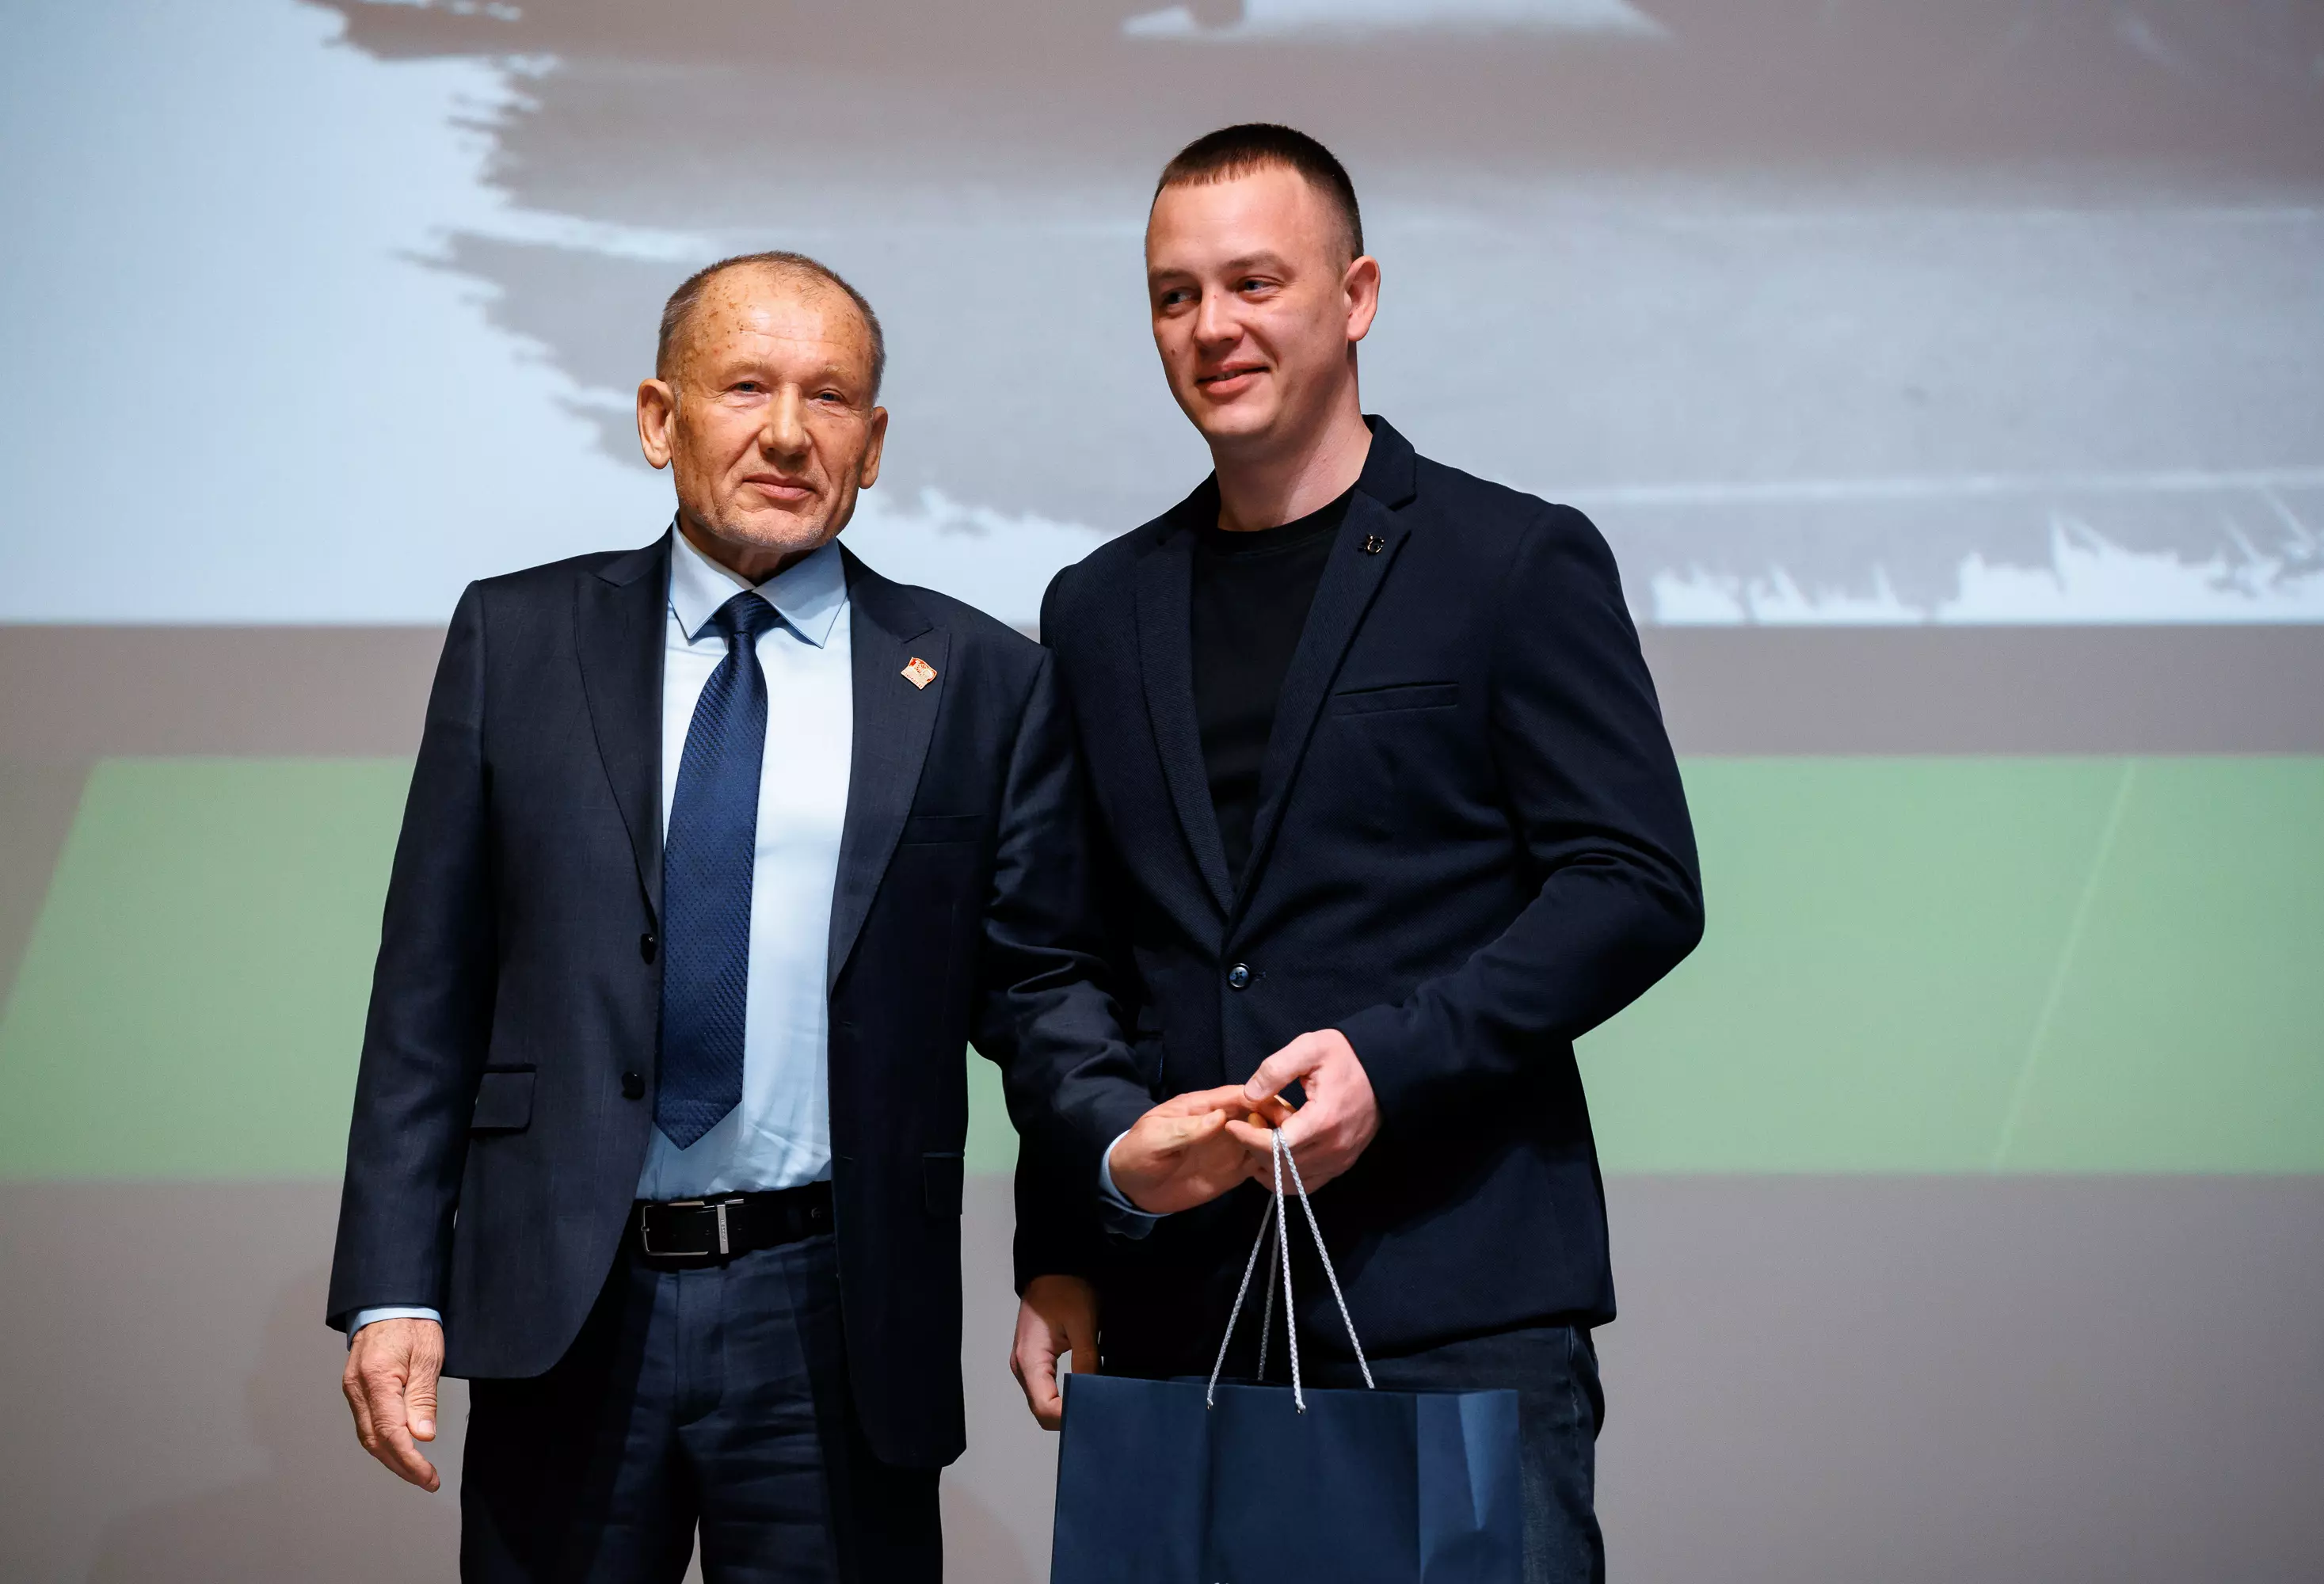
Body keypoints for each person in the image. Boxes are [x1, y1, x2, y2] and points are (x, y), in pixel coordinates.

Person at [326, 251, 1187, 1582]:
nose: (788, 433)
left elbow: (1041, 993)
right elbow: (428, 993)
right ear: (659, 418)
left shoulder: (980, 679)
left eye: (828, 397)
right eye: (744, 387)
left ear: (873, 444)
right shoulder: (516, 638)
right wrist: (393, 1285)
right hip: (569, 1300)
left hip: (835, 1314)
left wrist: (1103, 1188)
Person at [1012, 126, 1705, 1582]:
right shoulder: (1095, 607)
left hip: (1455, 1307)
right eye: (1175, 295)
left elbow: (1635, 883)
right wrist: (1079, 1218)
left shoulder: (1512, 560)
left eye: (1254, 282)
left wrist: (1390, 1063)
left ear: (1357, 295)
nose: (1213, 326)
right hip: (1179, 1312)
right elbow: (1062, 956)